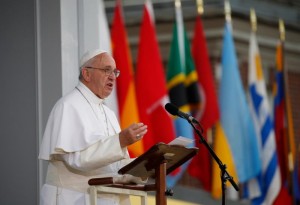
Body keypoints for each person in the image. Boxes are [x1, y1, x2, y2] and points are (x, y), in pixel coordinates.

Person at [39, 49, 148, 205]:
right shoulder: (68, 106)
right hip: (72, 198)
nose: (112, 76)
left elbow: (113, 167)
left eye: (115, 72)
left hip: (105, 198)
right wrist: (120, 141)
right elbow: (77, 159)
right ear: (86, 74)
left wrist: (146, 164)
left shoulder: (109, 113)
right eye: (106, 70)